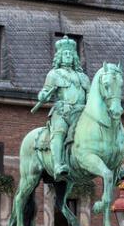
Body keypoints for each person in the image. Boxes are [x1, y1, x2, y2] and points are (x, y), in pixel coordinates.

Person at [35, 36, 90, 179]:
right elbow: (45, 91)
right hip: (62, 111)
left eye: (70, 54)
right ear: (59, 56)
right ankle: (58, 164)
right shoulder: (54, 74)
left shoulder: (83, 77)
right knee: (59, 132)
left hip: (82, 112)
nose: (68, 56)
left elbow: (90, 95)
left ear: (74, 57)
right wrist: (42, 95)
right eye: (65, 54)